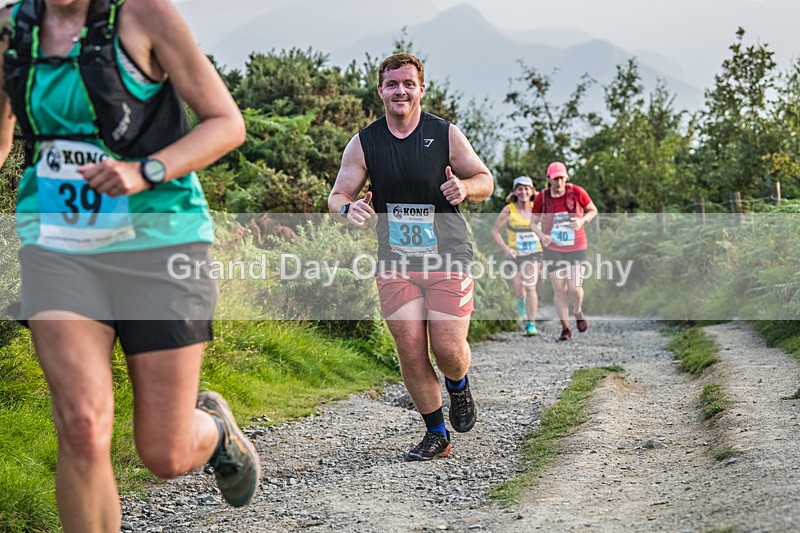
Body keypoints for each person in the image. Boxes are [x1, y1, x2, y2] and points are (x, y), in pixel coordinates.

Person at [0, 0, 259, 531]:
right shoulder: (9, 29)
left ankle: (215, 430)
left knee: (164, 454)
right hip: (58, 244)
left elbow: (227, 124)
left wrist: (146, 170)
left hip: (160, 244)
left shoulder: (145, 14)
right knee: (82, 425)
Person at [328, 52, 493, 461]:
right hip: (395, 261)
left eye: (407, 83)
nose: (400, 90)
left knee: (448, 350)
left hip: (449, 256)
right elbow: (337, 196)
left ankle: (458, 385)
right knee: (410, 345)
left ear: (421, 88)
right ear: (381, 90)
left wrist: (466, 190)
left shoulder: (445, 134)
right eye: (392, 84)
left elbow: (485, 179)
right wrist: (350, 209)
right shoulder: (365, 142)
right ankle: (436, 434)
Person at [531, 162, 598, 341]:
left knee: (575, 288)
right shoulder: (542, 197)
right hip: (552, 247)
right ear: (549, 179)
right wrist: (541, 236)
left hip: (576, 245)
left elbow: (593, 210)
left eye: (561, 178)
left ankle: (577, 310)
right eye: (555, 178)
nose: (559, 182)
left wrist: (582, 221)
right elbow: (532, 222)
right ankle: (565, 328)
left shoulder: (577, 192)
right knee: (559, 288)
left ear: (566, 177)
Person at [491, 175, 551, 336]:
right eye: (520, 188)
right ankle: (521, 303)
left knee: (530, 286)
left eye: (526, 188)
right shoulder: (508, 209)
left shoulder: (537, 207)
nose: (523, 192)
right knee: (518, 288)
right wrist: (506, 249)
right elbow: (495, 231)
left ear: (532, 191)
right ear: (515, 191)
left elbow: (549, 225)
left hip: (534, 253)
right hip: (514, 255)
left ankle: (531, 323)